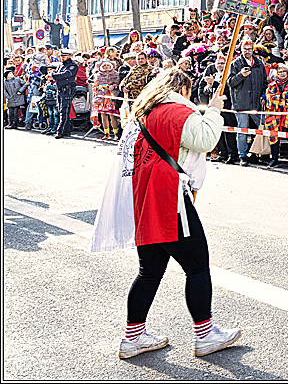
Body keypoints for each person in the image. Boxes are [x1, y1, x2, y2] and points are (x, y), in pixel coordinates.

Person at [88, 68, 241, 359]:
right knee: (196, 266)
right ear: (182, 88)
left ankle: (133, 337)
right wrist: (214, 111)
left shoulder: (144, 113)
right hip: (170, 198)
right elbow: (206, 139)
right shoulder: (173, 111)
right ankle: (205, 334)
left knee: (149, 272)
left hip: (145, 197)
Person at [226, 40, 267, 166]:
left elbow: (265, 82)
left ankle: (261, 153)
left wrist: (264, 94)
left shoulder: (259, 64)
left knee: (263, 128)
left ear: (253, 49)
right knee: (242, 130)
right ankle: (242, 156)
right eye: (245, 49)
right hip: (241, 104)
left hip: (256, 104)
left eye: (249, 49)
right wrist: (241, 75)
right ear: (241, 50)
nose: (247, 51)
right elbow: (230, 83)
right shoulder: (235, 64)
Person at [262, 64, 288, 169]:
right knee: (274, 138)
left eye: (284, 71)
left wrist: (279, 97)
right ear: (277, 73)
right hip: (275, 116)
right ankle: (274, 160)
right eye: (280, 71)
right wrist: (285, 101)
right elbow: (270, 100)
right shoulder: (271, 85)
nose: (282, 73)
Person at [92, 58, 122, 140]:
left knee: (113, 116)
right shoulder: (98, 75)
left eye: (108, 65)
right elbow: (94, 88)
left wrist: (114, 87)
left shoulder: (116, 74)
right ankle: (106, 133)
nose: (106, 67)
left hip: (112, 97)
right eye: (104, 65)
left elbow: (119, 85)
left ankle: (116, 133)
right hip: (102, 98)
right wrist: (102, 87)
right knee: (104, 116)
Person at [52, 48, 79, 139]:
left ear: (69, 56)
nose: (62, 58)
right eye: (61, 56)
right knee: (61, 110)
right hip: (60, 89)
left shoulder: (72, 65)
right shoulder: (61, 65)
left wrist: (53, 75)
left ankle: (60, 131)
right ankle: (66, 131)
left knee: (64, 111)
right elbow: (57, 73)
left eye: (64, 56)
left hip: (67, 90)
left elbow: (66, 74)